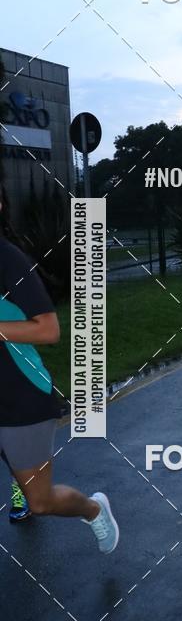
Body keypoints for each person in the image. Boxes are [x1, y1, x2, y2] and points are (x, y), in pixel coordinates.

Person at [0, 187, 118, 552]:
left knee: (39, 501)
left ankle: (94, 509)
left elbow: (48, 329)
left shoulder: (8, 259)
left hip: (19, 398)